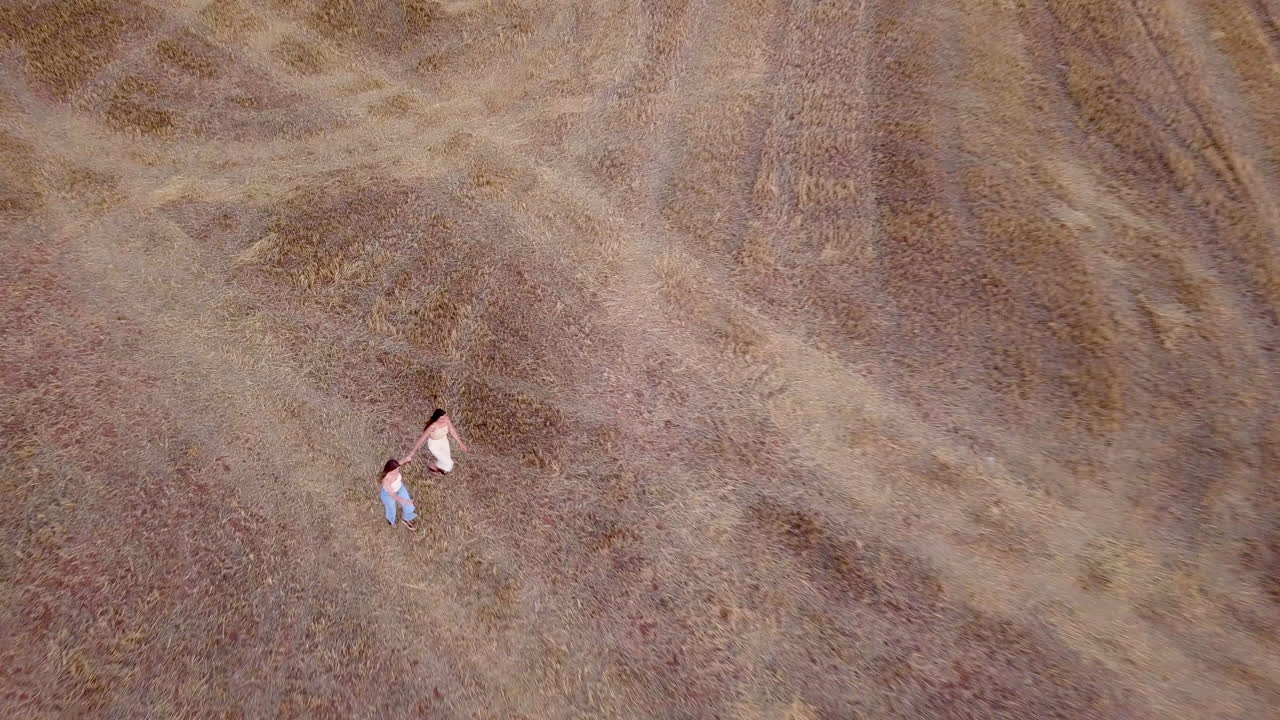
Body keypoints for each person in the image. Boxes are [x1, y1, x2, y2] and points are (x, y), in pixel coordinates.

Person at [410, 408, 468, 474]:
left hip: (444, 441)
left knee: (446, 461)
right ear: (436, 418)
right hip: (434, 444)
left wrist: (461, 443)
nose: (444, 420)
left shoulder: (447, 420)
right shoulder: (433, 426)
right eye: (441, 419)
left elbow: (452, 431)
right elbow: (421, 439)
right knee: (449, 463)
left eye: (445, 417)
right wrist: (412, 452)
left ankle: (439, 466)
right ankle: (433, 465)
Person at [379, 456, 418, 530]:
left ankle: (407, 519)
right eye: (394, 471)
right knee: (391, 509)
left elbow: (400, 462)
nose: (397, 472)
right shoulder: (386, 480)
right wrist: (404, 501)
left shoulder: (395, 467)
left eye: (398, 469)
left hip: (400, 488)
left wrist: (407, 459)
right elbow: (393, 496)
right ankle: (391, 521)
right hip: (389, 495)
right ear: (389, 470)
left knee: (409, 505)